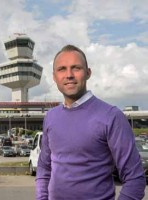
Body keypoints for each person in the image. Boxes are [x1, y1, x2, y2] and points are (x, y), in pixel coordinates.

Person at [36, 44, 146, 200]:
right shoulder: (51, 117)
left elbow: (135, 179)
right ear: (54, 77)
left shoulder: (111, 116)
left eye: (76, 68)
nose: (69, 75)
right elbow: (44, 168)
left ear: (88, 73)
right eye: (62, 69)